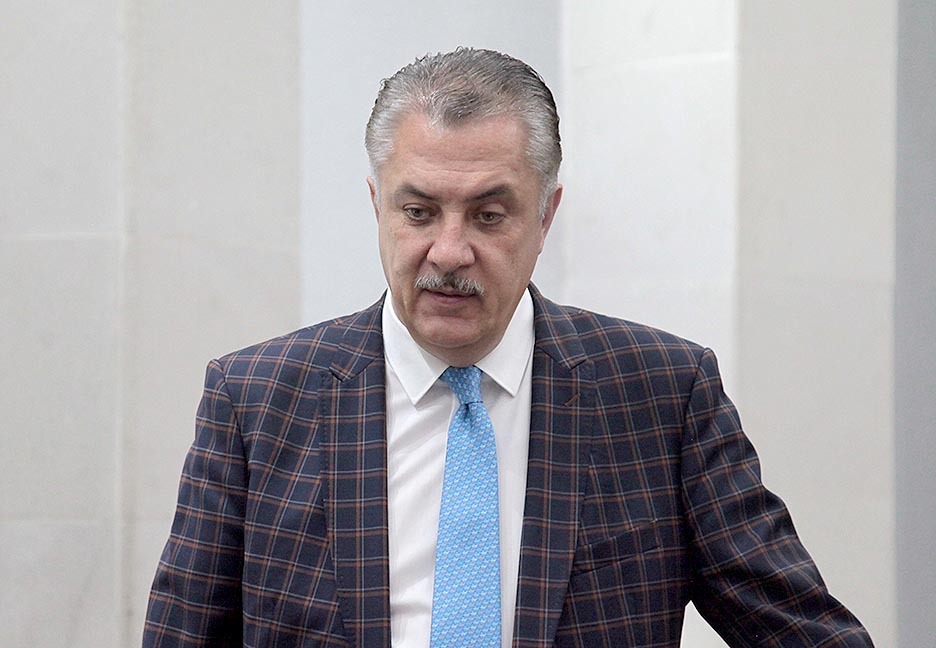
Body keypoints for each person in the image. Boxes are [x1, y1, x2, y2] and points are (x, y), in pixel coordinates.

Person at [143, 48, 873, 647]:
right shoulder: (257, 400)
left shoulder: (662, 394)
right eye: (418, 211)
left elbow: (802, 634)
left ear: (546, 216)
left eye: (489, 215)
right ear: (377, 206)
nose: (449, 251)